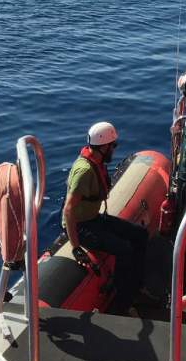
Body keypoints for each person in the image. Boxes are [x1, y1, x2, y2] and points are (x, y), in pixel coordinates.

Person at [62, 122, 148, 315]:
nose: (114, 150)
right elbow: (68, 210)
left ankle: (137, 287)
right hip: (82, 226)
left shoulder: (96, 162)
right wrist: (76, 247)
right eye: (113, 146)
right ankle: (122, 301)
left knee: (140, 235)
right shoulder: (84, 171)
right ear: (103, 147)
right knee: (124, 249)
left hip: (93, 218)